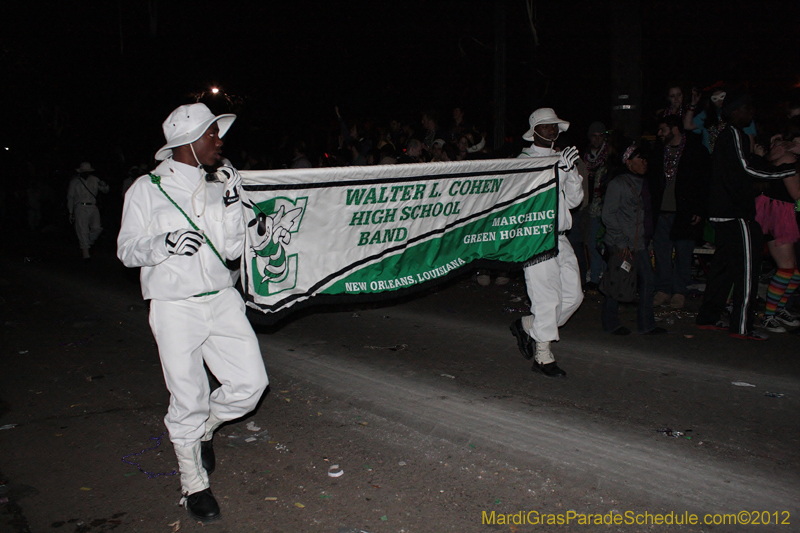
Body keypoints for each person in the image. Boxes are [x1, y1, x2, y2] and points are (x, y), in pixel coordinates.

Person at [117, 103, 269, 521]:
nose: (220, 142)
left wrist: (236, 203)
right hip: (174, 307)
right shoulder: (146, 190)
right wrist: (162, 244)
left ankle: (204, 429)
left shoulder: (219, 187)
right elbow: (126, 250)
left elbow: (234, 250)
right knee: (188, 397)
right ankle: (194, 485)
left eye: (218, 134)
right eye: (212, 135)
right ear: (187, 142)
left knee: (251, 385)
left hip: (221, 300)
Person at [695, 93, 797, 340]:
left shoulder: (728, 135)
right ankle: (742, 326)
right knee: (747, 271)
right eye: (748, 109)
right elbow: (747, 168)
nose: (751, 114)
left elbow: (743, 167)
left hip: (724, 212)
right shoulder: (733, 134)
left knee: (724, 269)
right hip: (735, 213)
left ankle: (708, 318)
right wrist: (787, 169)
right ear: (736, 111)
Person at [509, 108, 583, 378]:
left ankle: (529, 325)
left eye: (555, 125)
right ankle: (543, 355)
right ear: (535, 131)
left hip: (560, 236)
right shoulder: (523, 160)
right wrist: (559, 172)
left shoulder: (560, 157)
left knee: (574, 296)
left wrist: (570, 172)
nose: (553, 130)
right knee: (547, 297)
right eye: (547, 126)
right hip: (535, 237)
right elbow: (528, 196)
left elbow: (574, 201)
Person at [601, 145, 666, 335]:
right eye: (640, 159)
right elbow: (608, 215)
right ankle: (611, 323)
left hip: (639, 242)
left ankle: (646, 324)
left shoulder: (644, 183)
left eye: (645, 159)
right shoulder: (619, 184)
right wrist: (622, 243)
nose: (644, 163)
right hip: (621, 243)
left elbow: (645, 216)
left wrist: (648, 241)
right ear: (628, 162)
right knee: (618, 283)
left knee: (647, 282)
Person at [651, 115, 711, 309]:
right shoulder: (659, 151)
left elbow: (704, 183)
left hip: (684, 212)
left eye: (663, 130)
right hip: (661, 211)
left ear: (675, 130)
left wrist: (699, 209)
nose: (659, 134)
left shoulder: (695, 151)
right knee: (661, 253)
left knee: (684, 254)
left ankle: (679, 292)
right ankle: (663, 290)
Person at [755, 131, 800, 332]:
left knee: (794, 271)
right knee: (786, 268)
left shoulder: (789, 158)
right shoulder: (789, 159)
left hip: (782, 211)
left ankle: (778, 308)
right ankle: (769, 314)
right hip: (778, 213)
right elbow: (796, 194)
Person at [67, 161, 109, 260]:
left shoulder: (95, 180)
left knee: (97, 228)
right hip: (80, 207)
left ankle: (88, 242)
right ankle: (86, 252)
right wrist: (70, 212)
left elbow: (105, 190)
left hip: (93, 206)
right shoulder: (74, 182)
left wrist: (104, 185)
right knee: (82, 229)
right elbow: (70, 197)